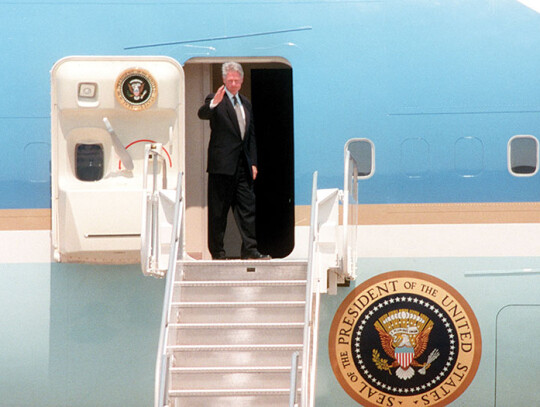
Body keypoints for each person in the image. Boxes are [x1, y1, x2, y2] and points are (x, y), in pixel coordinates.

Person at [198, 62, 271, 260]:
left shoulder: (246, 103)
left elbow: (251, 136)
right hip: (221, 166)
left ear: (241, 81)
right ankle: (218, 253)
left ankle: (250, 250)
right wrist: (214, 102)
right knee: (218, 213)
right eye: (229, 80)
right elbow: (202, 114)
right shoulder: (215, 99)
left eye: (236, 80)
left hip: (242, 166)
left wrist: (253, 162)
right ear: (223, 80)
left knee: (247, 209)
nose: (232, 83)